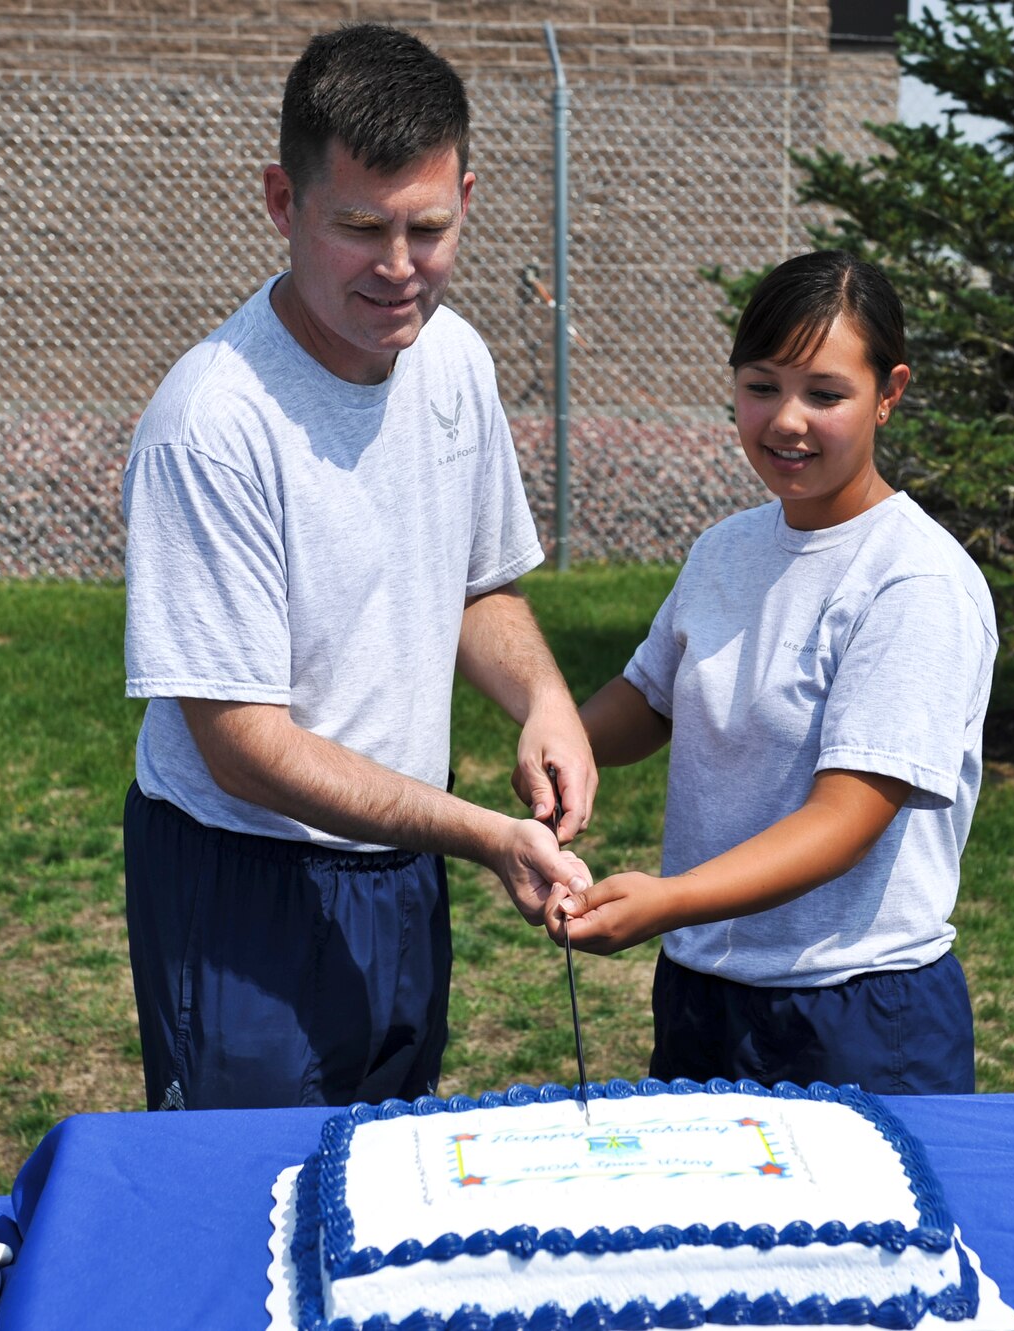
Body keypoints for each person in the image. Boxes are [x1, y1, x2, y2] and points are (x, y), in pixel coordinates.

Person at [122, 24, 594, 1112]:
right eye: (357, 228)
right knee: (255, 1201)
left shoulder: (455, 358)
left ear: (466, 197)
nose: (396, 268)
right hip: (244, 874)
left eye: (426, 228)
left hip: (398, 860)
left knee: (384, 1175)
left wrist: (545, 701)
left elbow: (476, 586)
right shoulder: (210, 423)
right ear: (282, 204)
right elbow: (241, 743)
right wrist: (478, 832)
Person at [549, 250, 997, 1095]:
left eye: (825, 394)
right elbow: (651, 698)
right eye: (762, 386)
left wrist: (668, 900)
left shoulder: (916, 582)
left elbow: (846, 817)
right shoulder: (727, 548)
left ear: (889, 393)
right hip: (704, 993)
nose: (787, 420)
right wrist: (560, 741)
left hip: (854, 1013)